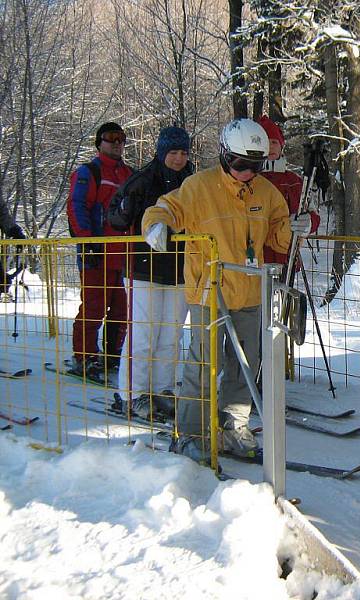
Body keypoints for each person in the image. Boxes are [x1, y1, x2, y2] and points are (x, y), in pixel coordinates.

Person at [141, 118, 312, 462]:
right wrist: (156, 226)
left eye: (255, 165)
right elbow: (165, 208)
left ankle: (233, 427)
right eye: (240, 164)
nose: (248, 172)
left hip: (250, 293)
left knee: (246, 365)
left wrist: (298, 227)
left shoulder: (266, 192)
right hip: (209, 293)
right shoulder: (198, 187)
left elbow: (279, 232)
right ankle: (191, 434)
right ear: (223, 155)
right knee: (203, 364)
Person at [108, 126, 194, 421]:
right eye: (173, 152)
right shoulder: (143, 180)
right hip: (143, 269)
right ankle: (132, 394)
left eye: (183, 152)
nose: (179, 158)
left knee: (171, 334)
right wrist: (126, 210)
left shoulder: (194, 182)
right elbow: (116, 217)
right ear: (161, 152)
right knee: (144, 333)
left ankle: (164, 389)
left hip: (180, 269)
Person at [67, 122, 133, 380]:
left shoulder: (128, 173)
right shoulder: (89, 172)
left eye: (121, 138)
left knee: (121, 309)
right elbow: (76, 206)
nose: (116, 143)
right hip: (97, 253)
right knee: (94, 306)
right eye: (110, 138)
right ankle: (84, 357)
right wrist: (88, 241)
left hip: (124, 254)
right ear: (99, 143)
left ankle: (114, 355)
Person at [257, 116, 320, 267]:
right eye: (265, 142)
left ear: (281, 145)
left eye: (274, 142)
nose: (271, 147)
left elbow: (313, 214)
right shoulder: (248, 178)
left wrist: (308, 223)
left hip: (286, 259)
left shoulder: (294, 181)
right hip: (253, 262)